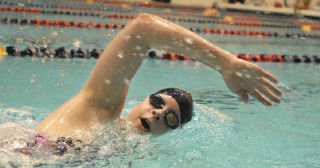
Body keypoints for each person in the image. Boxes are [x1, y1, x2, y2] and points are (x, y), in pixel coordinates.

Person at [32, 13, 281, 152]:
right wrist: (226, 63)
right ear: (142, 100)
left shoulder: (126, 151)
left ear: (171, 132)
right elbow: (143, 28)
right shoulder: (100, 108)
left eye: (171, 119)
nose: (158, 114)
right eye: (157, 102)